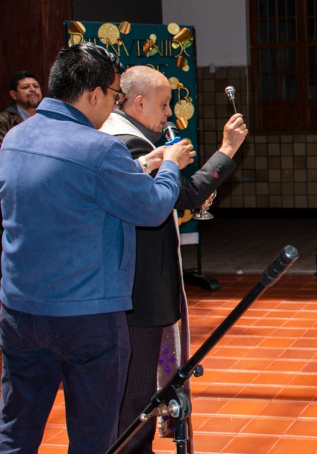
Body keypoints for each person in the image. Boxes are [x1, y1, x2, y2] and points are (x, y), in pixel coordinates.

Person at [0, 43, 195, 453]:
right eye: (114, 95)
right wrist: (171, 164)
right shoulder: (100, 147)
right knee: (93, 433)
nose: (114, 105)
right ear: (94, 94)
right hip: (85, 316)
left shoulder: (16, 138)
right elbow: (154, 208)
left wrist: (142, 165)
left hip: (20, 310)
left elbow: (67, 192)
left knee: (18, 427)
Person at [103, 66, 247, 453]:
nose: (169, 114)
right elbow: (183, 197)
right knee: (136, 390)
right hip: (139, 290)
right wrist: (227, 149)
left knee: (134, 386)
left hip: (133, 284)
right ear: (139, 102)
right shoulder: (127, 144)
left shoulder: (131, 138)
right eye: (164, 105)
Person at [0, 71, 42, 168]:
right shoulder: (1, 120)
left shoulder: (50, 118)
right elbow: (2, 156)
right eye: (25, 87)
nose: (32, 89)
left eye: (36, 86)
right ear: (14, 95)